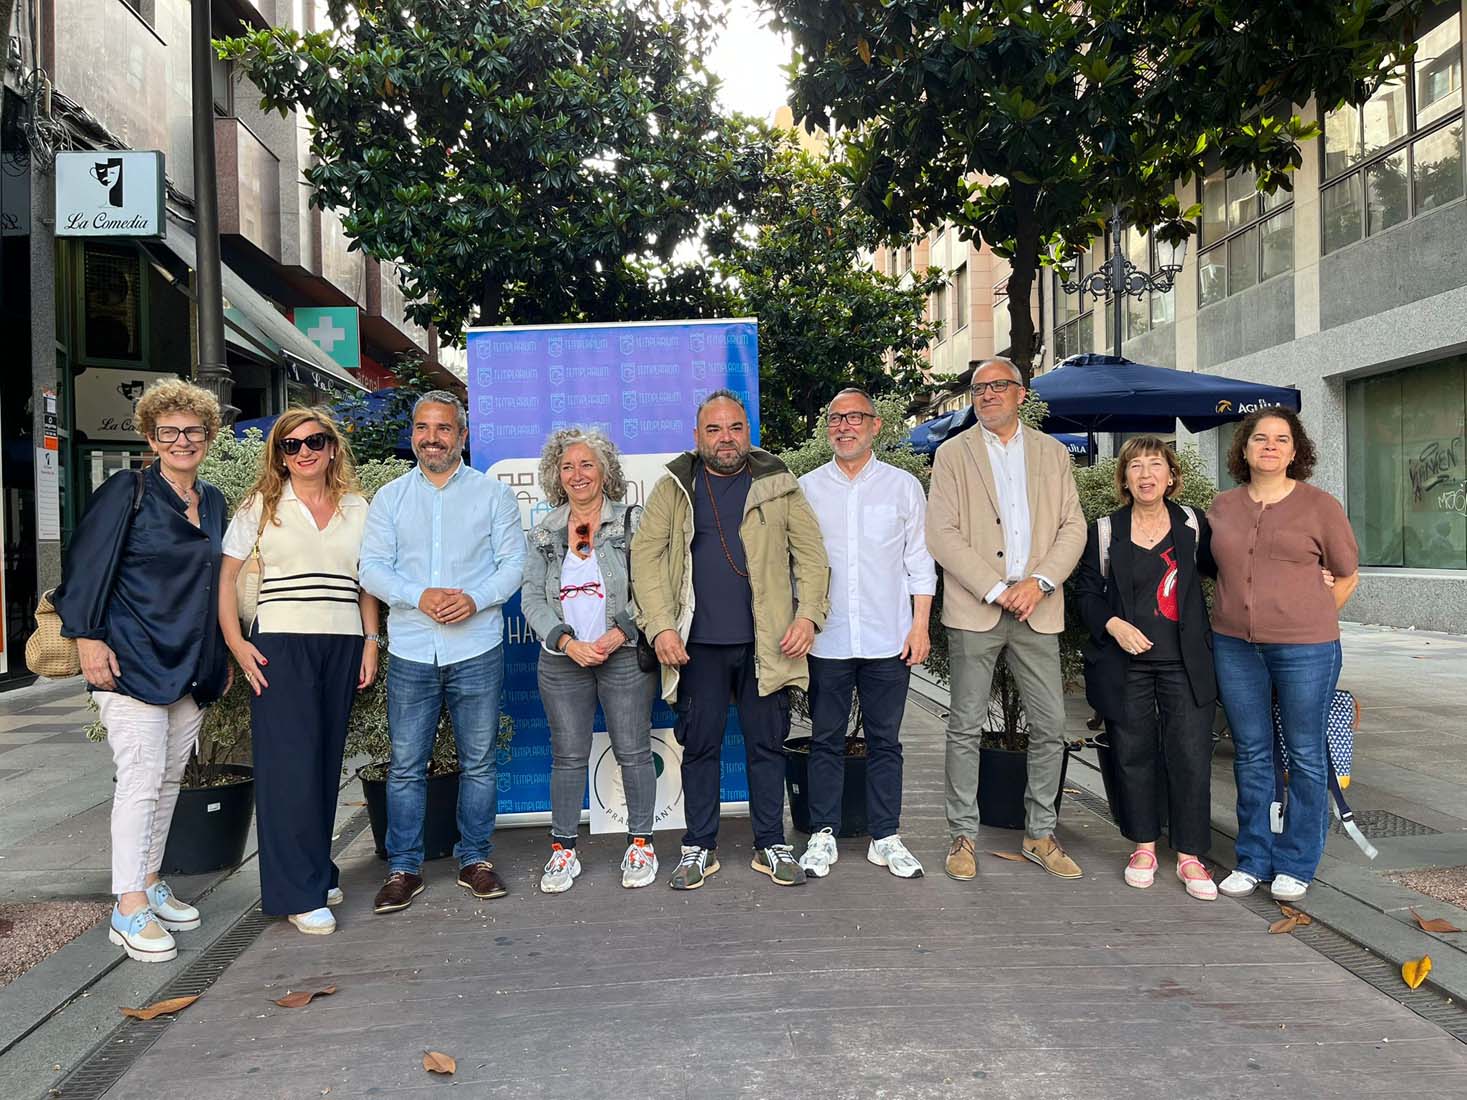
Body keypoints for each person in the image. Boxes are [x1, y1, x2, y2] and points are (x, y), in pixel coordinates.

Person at [55, 379, 229, 963]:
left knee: (168, 780)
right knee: (139, 779)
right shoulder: (126, 492)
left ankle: (150, 880)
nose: (183, 441)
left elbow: (216, 585)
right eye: (169, 432)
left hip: (190, 662)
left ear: (209, 436)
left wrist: (220, 656)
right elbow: (83, 570)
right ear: (151, 439)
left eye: (193, 431)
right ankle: (127, 906)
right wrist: (86, 639)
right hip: (129, 658)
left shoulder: (215, 500)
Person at [631, 390, 830, 889]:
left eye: (735, 428)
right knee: (701, 748)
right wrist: (660, 626)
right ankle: (699, 846)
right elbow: (646, 560)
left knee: (768, 745)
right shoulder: (674, 487)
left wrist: (808, 617)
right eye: (714, 430)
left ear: (749, 431)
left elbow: (811, 556)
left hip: (769, 646)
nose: (726, 438)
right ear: (697, 437)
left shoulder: (779, 485)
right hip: (695, 646)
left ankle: (770, 844)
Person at [359, 391, 526, 913]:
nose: (433, 438)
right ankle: (403, 868)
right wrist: (419, 596)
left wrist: (475, 599)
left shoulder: (492, 496)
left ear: (462, 435)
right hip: (412, 647)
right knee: (406, 765)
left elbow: (513, 565)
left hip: (476, 645)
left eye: (444, 428)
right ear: (413, 434)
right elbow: (372, 568)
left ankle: (475, 858)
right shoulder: (389, 498)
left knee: (478, 763)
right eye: (423, 428)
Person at [218, 408, 379, 935]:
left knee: (324, 761)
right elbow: (227, 579)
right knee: (288, 767)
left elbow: (366, 583)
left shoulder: (358, 507)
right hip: (281, 642)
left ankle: (316, 869)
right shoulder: (261, 505)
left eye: (314, 441)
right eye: (291, 445)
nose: (304, 452)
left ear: (332, 448)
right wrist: (237, 644)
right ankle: (295, 892)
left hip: (342, 638)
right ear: (280, 456)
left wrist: (371, 641)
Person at [926, 358, 1086, 882]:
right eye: (979, 388)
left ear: (1021, 393)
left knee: (1052, 725)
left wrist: (1038, 583)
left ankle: (1040, 833)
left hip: (1038, 607)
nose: (988, 394)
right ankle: (962, 836)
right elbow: (942, 533)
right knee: (964, 726)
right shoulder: (952, 453)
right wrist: (996, 588)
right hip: (977, 608)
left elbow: (1072, 528)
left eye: (999, 386)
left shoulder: (1053, 453)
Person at [1203, 407, 1359, 904]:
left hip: (1306, 648)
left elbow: (1347, 573)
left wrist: (1310, 616)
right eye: (1260, 438)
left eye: (1281, 440)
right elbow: (1212, 570)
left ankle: (1296, 863)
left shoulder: (1320, 506)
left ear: (1296, 452)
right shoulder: (1221, 508)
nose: (1269, 446)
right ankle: (1253, 858)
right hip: (1234, 646)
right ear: (1243, 449)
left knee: (1306, 754)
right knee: (1251, 753)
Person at [796, 388, 935, 880]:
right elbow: (795, 563)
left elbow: (920, 562)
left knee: (885, 742)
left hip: (888, 638)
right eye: (836, 418)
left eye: (855, 418)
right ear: (826, 428)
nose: (845, 426)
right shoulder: (806, 488)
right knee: (826, 740)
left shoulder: (903, 487)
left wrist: (920, 626)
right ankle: (822, 834)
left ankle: (885, 836)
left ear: (876, 426)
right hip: (828, 639)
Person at [1073, 437, 1219, 901]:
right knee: (1131, 754)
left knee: (1191, 754)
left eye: (1155, 464)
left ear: (1172, 475)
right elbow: (1085, 594)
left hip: (1185, 661)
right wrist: (1113, 624)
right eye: (1135, 465)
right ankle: (1143, 846)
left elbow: (1231, 571)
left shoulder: (1193, 524)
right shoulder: (1105, 531)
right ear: (1124, 478)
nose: (1145, 473)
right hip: (1126, 664)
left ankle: (1191, 854)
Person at [520, 428, 659, 892]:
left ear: (605, 472)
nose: (577, 474)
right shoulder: (543, 531)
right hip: (563, 662)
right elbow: (531, 600)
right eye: (568, 467)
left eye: (587, 465)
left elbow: (651, 587)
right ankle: (563, 850)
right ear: (556, 476)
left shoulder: (632, 522)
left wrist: (620, 632)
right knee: (567, 756)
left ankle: (640, 843)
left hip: (621, 655)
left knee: (634, 752)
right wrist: (566, 642)